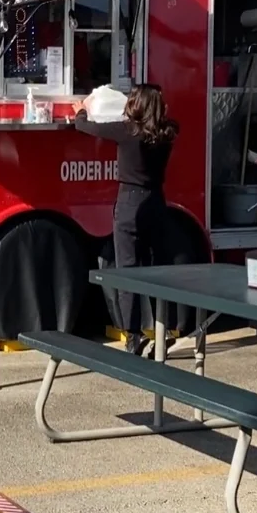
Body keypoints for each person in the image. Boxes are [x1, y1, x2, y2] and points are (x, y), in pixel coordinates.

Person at [73, 83, 179, 355]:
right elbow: (163, 121)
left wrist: (81, 111)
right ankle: (164, 327)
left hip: (130, 203)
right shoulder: (168, 132)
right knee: (159, 270)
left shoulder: (126, 131)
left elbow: (87, 127)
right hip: (156, 202)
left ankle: (133, 337)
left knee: (127, 270)